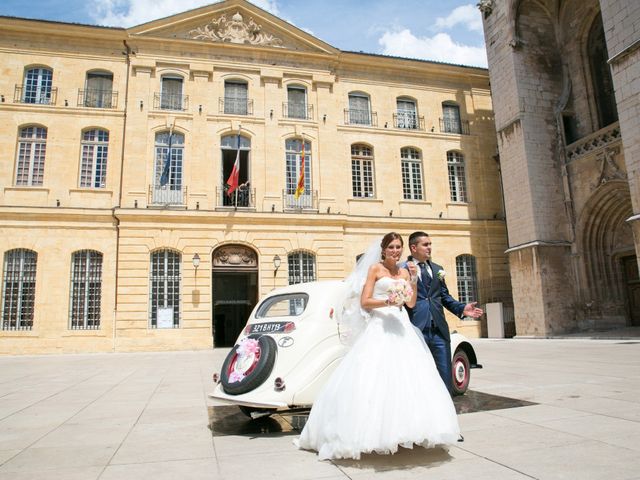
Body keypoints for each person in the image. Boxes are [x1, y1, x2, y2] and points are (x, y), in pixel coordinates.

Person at [295, 232, 460, 461]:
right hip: (381, 325)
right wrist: (388, 301)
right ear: (383, 249)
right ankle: (370, 434)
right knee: (375, 378)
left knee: (409, 380)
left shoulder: (404, 271)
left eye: (398, 247)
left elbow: (410, 302)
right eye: (391, 247)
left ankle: (406, 431)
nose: (395, 251)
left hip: (401, 325)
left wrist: (411, 280)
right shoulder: (375, 269)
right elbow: (365, 302)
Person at [402, 231, 483, 393]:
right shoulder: (402, 269)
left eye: (430, 244)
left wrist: (462, 308)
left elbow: (444, 297)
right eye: (425, 245)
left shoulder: (438, 269)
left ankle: (445, 410)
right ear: (413, 247)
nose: (429, 248)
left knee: (445, 374)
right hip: (415, 329)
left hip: (439, 331)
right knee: (417, 375)